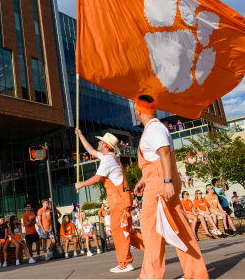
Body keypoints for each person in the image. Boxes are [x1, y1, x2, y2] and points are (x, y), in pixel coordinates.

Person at [132, 95, 208, 279]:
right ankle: (195, 274)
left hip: (160, 183)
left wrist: (165, 182)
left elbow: (164, 152)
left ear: (138, 111)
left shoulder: (154, 129)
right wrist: (143, 181)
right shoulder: (155, 128)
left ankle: (150, 277)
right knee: (180, 228)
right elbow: (156, 160)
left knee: (151, 231)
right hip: (161, 180)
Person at [75, 129, 145, 273]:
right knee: (126, 231)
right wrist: (81, 135)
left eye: (101, 141)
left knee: (119, 232)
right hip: (120, 200)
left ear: (106, 145)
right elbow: (91, 151)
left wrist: (81, 184)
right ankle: (153, 250)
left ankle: (125, 263)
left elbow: (96, 178)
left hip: (118, 201)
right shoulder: (110, 157)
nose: (98, 143)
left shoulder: (108, 159)